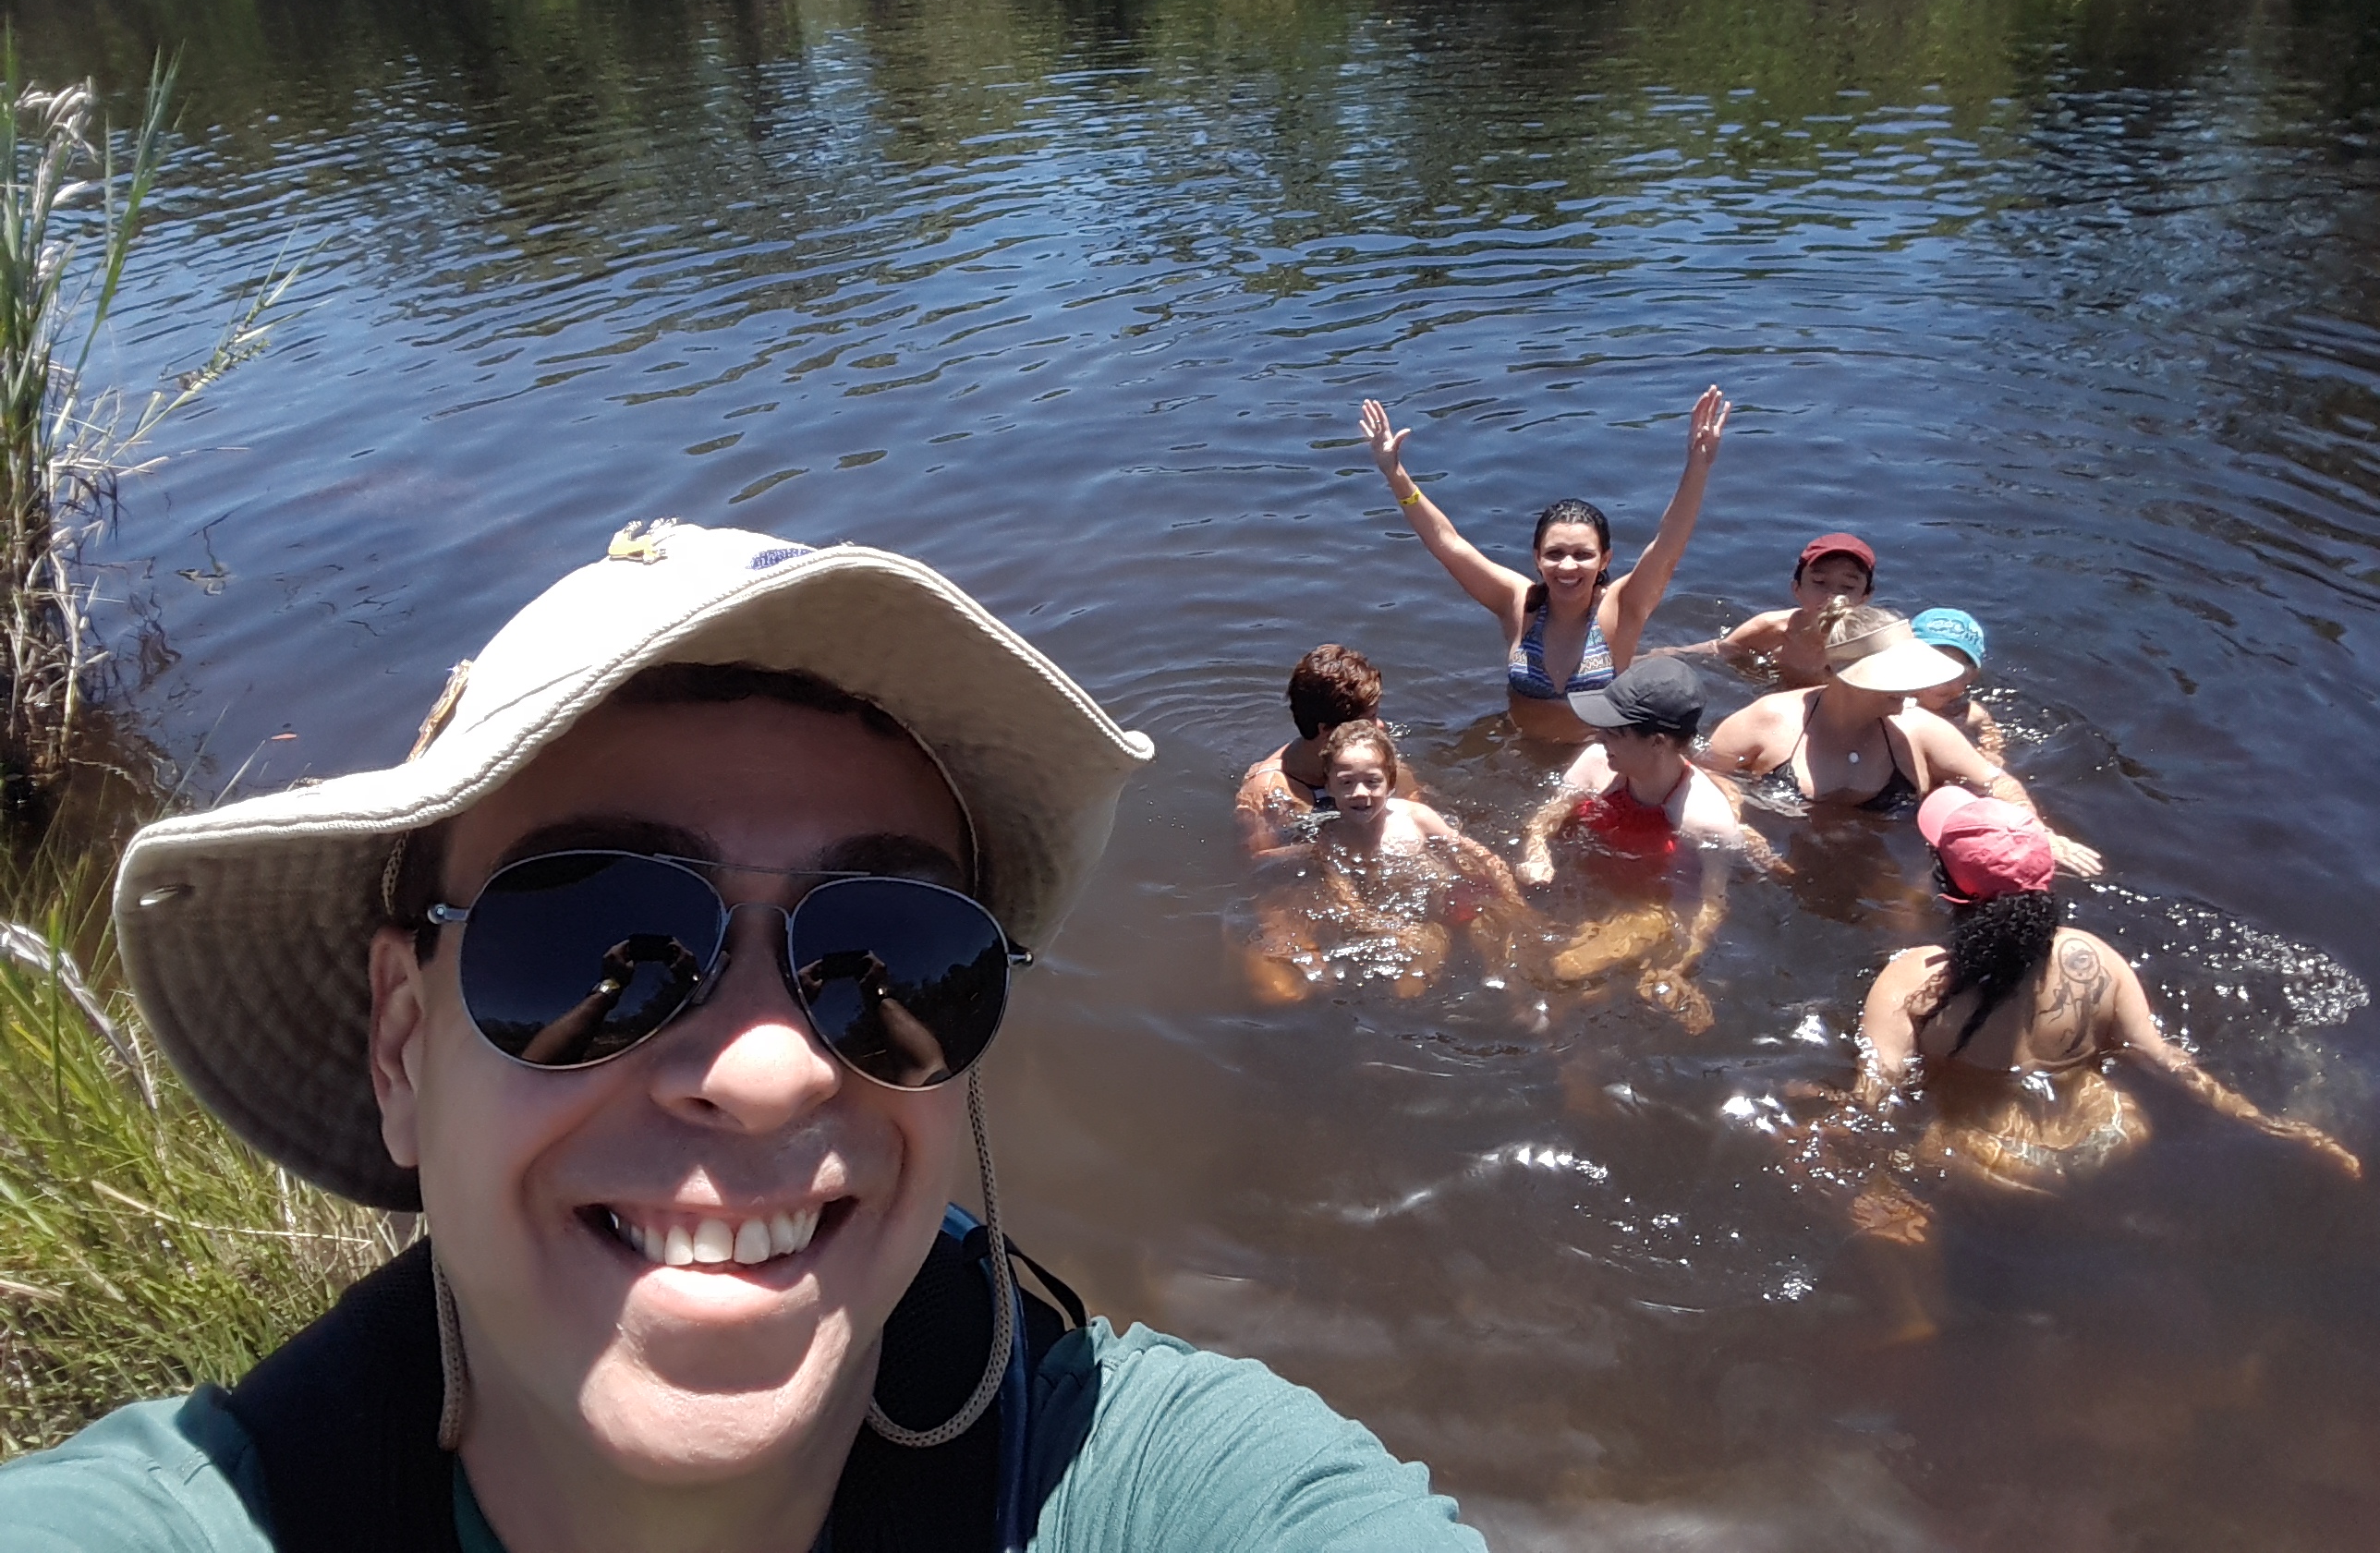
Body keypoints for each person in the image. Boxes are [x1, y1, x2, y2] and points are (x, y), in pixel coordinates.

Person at [1, 522, 1487, 1553]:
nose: (771, 1070)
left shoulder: (1140, 1484)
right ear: (402, 1046)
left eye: (887, 952)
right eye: (598, 940)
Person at [1833, 787, 2359, 1247]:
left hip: (1991, 1163)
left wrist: (1877, 1187)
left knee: (1892, 1143)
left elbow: (1874, 1097)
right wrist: (2267, 1122)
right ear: (2045, 881)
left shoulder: (1910, 980)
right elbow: (2163, 1058)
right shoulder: (2096, 958)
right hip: (2111, 1135)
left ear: (1947, 885)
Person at [1356, 386, 1730, 744]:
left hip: (1598, 757)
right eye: (1555, 553)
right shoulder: (1518, 603)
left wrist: (1699, 465)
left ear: (1605, 559)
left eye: (1582, 554)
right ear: (1537, 557)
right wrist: (1394, 474)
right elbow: (1448, 544)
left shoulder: (1622, 606)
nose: (1567, 567)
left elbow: (1668, 546)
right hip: (1523, 752)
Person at [1701, 601, 2102, 878]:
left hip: (1885, 865)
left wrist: (2040, 834)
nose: (1913, 687)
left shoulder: (1921, 730)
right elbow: (1704, 775)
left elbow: (1996, 781)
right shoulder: (1765, 721)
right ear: (1844, 674)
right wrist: (1741, 829)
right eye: (1897, 677)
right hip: (1783, 862)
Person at [1512, 659, 1746, 1030]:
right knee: (1507, 935)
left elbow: (1711, 904)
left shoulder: (1705, 821)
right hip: (1588, 889)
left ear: (1657, 742)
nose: (1599, 737)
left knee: (1564, 968)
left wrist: (1677, 966)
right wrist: (1537, 851)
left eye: (1614, 732)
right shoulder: (1596, 762)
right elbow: (1546, 817)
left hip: (1647, 910)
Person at [1241, 721, 1526, 1005]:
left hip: (1446, 897)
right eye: (1346, 783)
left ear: (1390, 782)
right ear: (1329, 786)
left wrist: (1515, 901)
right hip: (1403, 917)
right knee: (1414, 972)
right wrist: (1389, 929)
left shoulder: (1416, 818)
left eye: (1372, 781)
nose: (1360, 792)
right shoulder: (1331, 838)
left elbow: (1478, 855)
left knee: (1498, 934)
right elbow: (1345, 898)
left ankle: (1519, 1002)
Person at [1234, 643, 1415, 861]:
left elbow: (1414, 808)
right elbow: (1259, 858)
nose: (1381, 726)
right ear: (1327, 730)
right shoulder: (1270, 789)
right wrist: (1330, 847)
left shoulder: (1373, 756)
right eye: (1370, 719)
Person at [1700, 532, 1877, 688]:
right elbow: (1720, 649)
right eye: (1819, 582)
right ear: (1797, 589)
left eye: (1848, 587)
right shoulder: (1774, 629)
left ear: (1865, 597)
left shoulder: (1871, 643)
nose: (1832, 595)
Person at [1905, 606, 2002, 765]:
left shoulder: (1970, 714)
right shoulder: (1894, 707)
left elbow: (1989, 732)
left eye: (1957, 671)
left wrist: (1991, 753)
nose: (1943, 680)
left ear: (1972, 676)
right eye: (1931, 666)